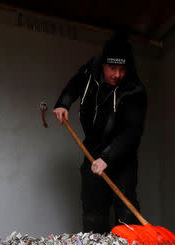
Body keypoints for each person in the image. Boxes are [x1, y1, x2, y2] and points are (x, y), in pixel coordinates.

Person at [53, 32, 147, 234]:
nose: (117, 75)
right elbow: (75, 84)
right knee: (93, 206)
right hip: (93, 146)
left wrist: (107, 158)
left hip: (122, 153)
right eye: (112, 68)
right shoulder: (91, 69)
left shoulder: (134, 89)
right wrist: (63, 103)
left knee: (126, 209)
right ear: (103, 64)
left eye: (122, 69)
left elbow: (132, 131)